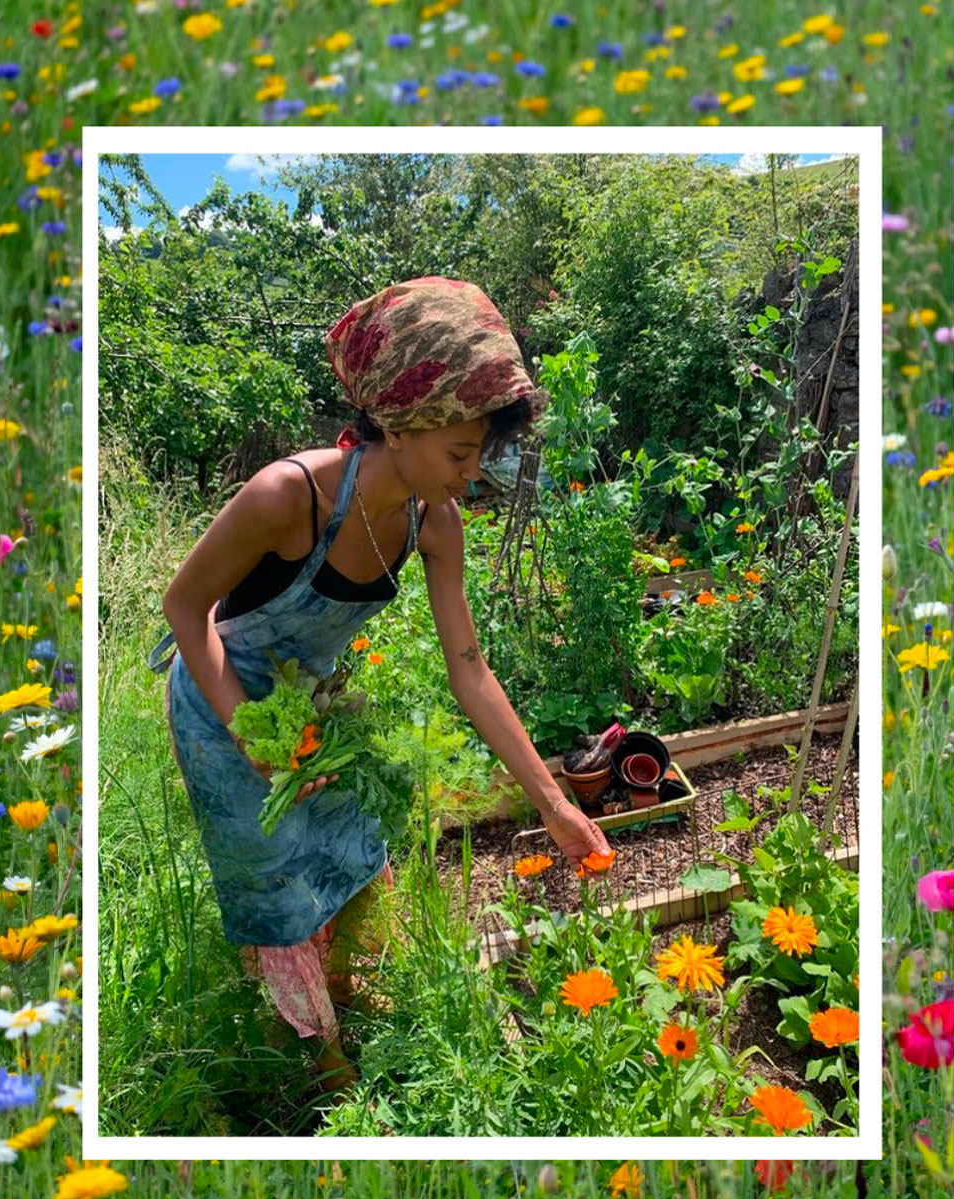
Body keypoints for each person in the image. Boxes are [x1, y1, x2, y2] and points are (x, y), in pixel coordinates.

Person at [148, 276, 611, 1093]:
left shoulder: (435, 522)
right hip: (222, 700)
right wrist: (253, 734)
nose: (470, 477)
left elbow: (470, 670)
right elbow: (186, 609)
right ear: (399, 423)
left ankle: (339, 992)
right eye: (459, 454)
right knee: (280, 892)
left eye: (480, 456)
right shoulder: (288, 494)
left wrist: (553, 802)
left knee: (359, 857)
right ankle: (320, 1070)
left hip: (310, 707)